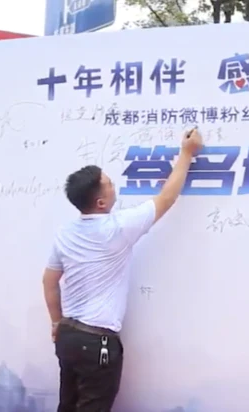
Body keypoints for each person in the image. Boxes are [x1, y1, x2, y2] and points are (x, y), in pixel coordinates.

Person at [42, 128, 203, 411]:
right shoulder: (117, 228)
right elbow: (166, 199)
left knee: (67, 405)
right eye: (109, 184)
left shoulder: (65, 233)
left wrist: (56, 323)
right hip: (98, 343)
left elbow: (49, 281)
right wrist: (187, 153)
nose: (114, 185)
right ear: (100, 202)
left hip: (68, 337)